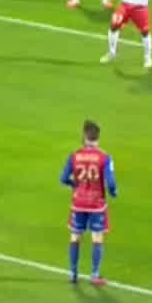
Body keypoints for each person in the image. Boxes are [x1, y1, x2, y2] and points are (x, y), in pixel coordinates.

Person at [61, 119, 117, 286]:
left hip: (78, 202)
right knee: (97, 237)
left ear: (84, 136)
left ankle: (73, 273)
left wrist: (74, 185)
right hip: (96, 204)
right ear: (97, 137)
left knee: (75, 236)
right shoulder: (105, 158)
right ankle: (94, 274)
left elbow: (63, 178)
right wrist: (113, 192)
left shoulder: (74, 156)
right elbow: (111, 183)